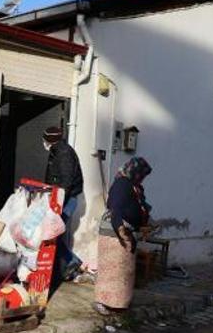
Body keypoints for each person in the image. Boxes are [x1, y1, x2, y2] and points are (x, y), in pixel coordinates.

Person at [93, 156, 153, 316]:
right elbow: (116, 209)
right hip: (114, 233)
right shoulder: (122, 184)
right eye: (142, 175)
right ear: (135, 172)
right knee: (110, 270)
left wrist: (143, 224)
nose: (143, 178)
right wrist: (121, 231)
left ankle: (118, 302)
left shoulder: (135, 186)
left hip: (126, 232)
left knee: (122, 271)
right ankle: (102, 301)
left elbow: (139, 207)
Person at [42, 126, 84, 280]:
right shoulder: (56, 151)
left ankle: (72, 261)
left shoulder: (64, 154)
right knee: (53, 235)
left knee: (54, 234)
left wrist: (57, 205)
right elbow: (52, 178)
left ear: (50, 140)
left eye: (45, 139)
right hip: (59, 198)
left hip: (66, 200)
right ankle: (68, 264)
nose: (44, 142)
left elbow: (66, 183)